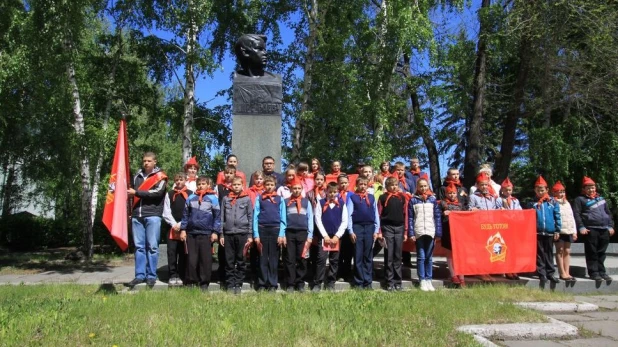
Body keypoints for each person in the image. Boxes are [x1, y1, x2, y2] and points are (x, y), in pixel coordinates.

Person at [127, 152, 168, 288]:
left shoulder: (160, 176)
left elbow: (157, 193)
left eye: (149, 161)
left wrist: (137, 192)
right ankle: (139, 275)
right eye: (144, 160)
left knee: (152, 247)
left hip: (153, 215)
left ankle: (151, 276)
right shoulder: (137, 176)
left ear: (155, 162)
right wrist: (129, 212)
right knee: (139, 247)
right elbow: (129, 195)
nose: (146, 163)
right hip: (137, 215)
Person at [179, 176, 221, 291]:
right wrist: (183, 229)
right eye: (199, 184)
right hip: (192, 233)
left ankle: (204, 283)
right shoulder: (191, 198)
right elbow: (185, 215)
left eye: (203, 184)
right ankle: (191, 281)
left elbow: (217, 217)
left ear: (208, 185)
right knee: (192, 259)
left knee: (205, 260)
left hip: (206, 233)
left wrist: (215, 232)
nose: (201, 186)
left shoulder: (213, 198)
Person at [573, 176, 615, 282]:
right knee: (592, 252)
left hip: (604, 228)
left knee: (602, 252)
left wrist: (610, 225)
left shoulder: (601, 199)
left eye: (592, 187)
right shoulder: (580, 199)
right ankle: (594, 272)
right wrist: (581, 227)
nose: (591, 190)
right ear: (584, 189)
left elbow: (608, 213)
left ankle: (602, 272)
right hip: (591, 229)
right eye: (588, 188)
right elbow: (577, 214)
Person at [220, 177, 253, 294]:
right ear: (231, 186)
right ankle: (230, 284)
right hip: (228, 233)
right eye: (234, 185)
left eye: (238, 184)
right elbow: (221, 217)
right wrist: (221, 234)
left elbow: (250, 217)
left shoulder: (247, 199)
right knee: (229, 260)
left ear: (242, 185)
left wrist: (250, 234)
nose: (236, 187)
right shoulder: (225, 199)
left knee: (241, 260)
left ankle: (238, 284)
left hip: (242, 233)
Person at [408, 178, 442, 292]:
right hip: (419, 232)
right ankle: (422, 280)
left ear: (428, 186)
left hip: (430, 231)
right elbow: (410, 217)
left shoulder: (432, 200)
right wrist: (411, 233)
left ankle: (429, 279)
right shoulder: (413, 200)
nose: (423, 188)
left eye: (425, 186)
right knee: (421, 257)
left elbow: (437, 217)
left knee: (429, 258)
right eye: (421, 186)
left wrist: (438, 232)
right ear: (417, 187)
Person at [253, 176, 286, 291]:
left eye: (271, 185)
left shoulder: (279, 199)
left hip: (275, 230)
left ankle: (272, 283)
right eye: (267, 185)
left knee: (273, 258)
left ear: (275, 186)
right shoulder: (259, 198)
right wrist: (256, 234)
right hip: (262, 229)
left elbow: (283, 218)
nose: (269, 187)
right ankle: (262, 283)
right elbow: (255, 217)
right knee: (262, 258)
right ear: (264, 186)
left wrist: (281, 234)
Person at [313, 182, 348, 291]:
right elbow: (318, 219)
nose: (332, 194)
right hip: (324, 237)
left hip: (336, 237)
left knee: (334, 260)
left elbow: (344, 221)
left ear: (338, 192)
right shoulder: (321, 203)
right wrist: (325, 235)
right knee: (321, 259)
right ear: (326, 191)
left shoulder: (342, 204)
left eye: (335, 192)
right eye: (330, 192)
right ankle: (318, 283)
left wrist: (337, 236)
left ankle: (331, 283)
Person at [347, 177, 380, 289]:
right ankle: (358, 282)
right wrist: (351, 231)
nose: (363, 186)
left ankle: (368, 281)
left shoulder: (371, 198)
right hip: (357, 228)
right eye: (360, 184)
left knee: (368, 256)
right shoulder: (353, 198)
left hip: (370, 228)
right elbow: (349, 215)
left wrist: (376, 230)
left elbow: (376, 214)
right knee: (358, 255)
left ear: (367, 185)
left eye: (365, 184)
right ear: (357, 185)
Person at [282, 178, 314, 292]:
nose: (296, 190)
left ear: (302, 189)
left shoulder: (306, 202)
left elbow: (310, 219)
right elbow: (283, 219)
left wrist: (310, 236)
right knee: (289, 258)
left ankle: (300, 282)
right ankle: (290, 283)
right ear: (291, 189)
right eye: (294, 188)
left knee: (302, 258)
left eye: (298, 188)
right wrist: (283, 234)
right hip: (289, 232)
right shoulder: (285, 201)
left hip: (303, 233)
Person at [162, 172, 193, 286]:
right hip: (172, 228)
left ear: (186, 180)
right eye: (177, 180)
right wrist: (174, 224)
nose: (179, 182)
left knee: (183, 252)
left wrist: (182, 224)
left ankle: (181, 275)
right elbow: (166, 211)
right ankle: (172, 275)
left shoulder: (191, 194)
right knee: (172, 252)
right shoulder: (169, 194)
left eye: (181, 179)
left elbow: (192, 210)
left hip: (185, 228)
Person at [529, 176, 561, 284]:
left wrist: (557, 230)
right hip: (537, 232)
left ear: (547, 190)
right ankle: (542, 274)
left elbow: (557, 216)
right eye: (538, 190)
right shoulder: (532, 203)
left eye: (542, 190)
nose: (540, 192)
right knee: (539, 253)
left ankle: (550, 273)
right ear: (535, 190)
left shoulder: (552, 202)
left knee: (549, 253)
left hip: (549, 232)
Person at [378, 177, 408, 291]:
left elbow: (405, 215)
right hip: (387, 228)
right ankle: (389, 282)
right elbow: (379, 215)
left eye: (395, 185)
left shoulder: (402, 198)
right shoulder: (383, 198)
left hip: (399, 228)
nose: (393, 187)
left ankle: (398, 282)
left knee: (397, 256)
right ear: (387, 187)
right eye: (391, 185)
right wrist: (380, 231)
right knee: (389, 255)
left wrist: (405, 231)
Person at [468, 172, 498, 282]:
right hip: (479, 227)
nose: (484, 187)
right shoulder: (473, 197)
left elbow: (494, 211)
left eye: (486, 185)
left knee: (489, 249)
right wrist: (473, 210)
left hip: (490, 227)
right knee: (480, 250)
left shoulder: (492, 198)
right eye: (482, 185)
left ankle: (487, 271)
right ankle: (480, 271)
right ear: (478, 185)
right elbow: (470, 210)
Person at [439, 182, 465, 287]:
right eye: (449, 193)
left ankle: (461, 276)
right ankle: (453, 274)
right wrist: (443, 214)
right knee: (449, 253)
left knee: (460, 255)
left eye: (453, 193)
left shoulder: (461, 205)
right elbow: (437, 215)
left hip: (459, 232)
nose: (452, 195)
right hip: (447, 231)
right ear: (446, 194)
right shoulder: (442, 203)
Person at [552, 180, 578, 282]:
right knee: (560, 251)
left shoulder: (567, 203)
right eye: (559, 192)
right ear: (554, 193)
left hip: (569, 230)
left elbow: (572, 217)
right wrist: (556, 231)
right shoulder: (553, 203)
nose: (561, 194)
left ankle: (567, 272)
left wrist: (574, 231)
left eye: (563, 191)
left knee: (567, 251)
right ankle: (562, 272)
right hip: (559, 231)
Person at [216, 165, 236, 287]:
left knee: (233, 251)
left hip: (234, 221)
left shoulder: (237, 187)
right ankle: (222, 275)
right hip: (222, 219)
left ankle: (233, 275)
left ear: (235, 174)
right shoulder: (219, 187)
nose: (228, 175)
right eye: (226, 173)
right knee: (222, 249)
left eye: (231, 173)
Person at [336, 174, 354, 281]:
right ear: (338, 183)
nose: (343, 184)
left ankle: (347, 273)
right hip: (337, 227)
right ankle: (338, 273)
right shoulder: (335, 195)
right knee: (338, 252)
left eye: (345, 182)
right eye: (341, 182)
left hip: (348, 228)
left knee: (348, 251)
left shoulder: (352, 195)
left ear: (348, 183)